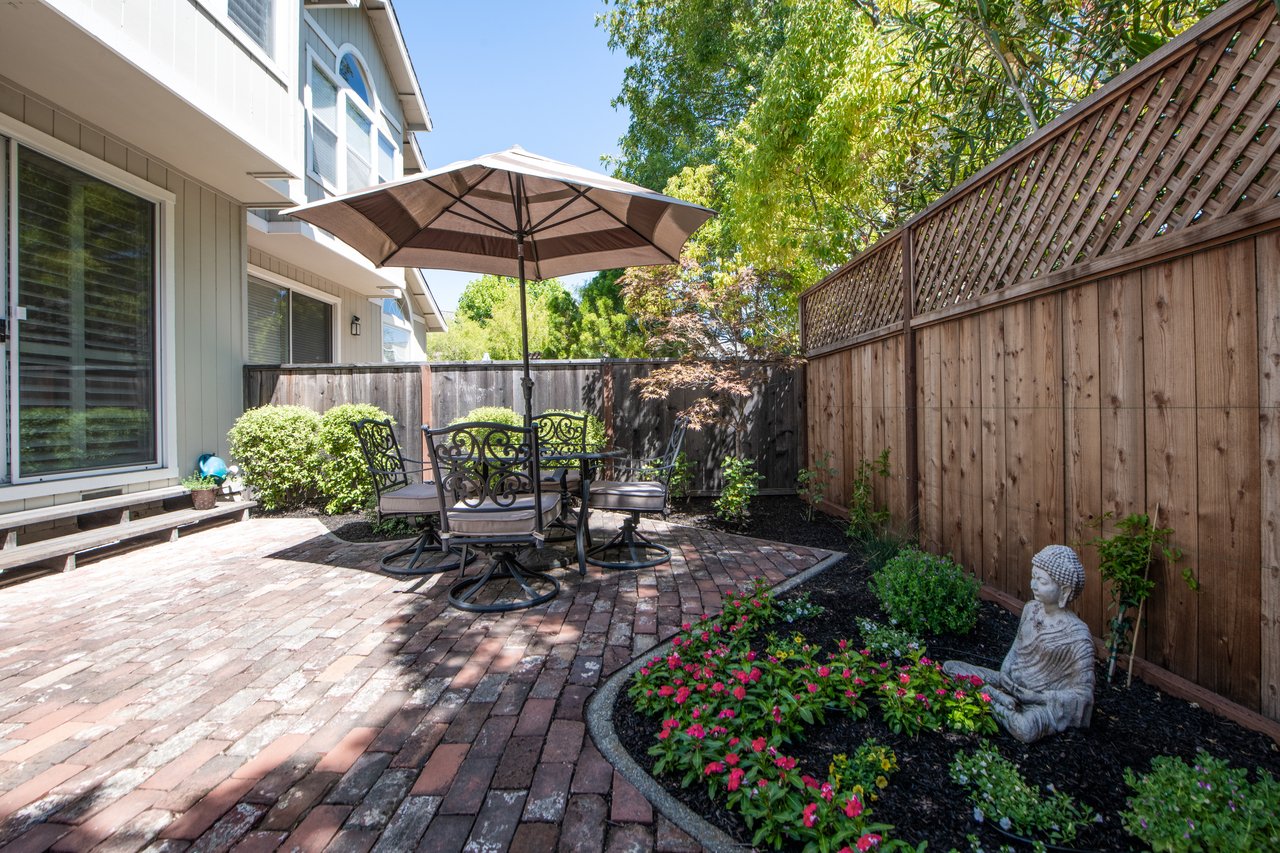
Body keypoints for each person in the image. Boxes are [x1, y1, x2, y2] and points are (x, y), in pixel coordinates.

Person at [944, 545, 1095, 743]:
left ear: (1064, 590)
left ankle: (990, 699)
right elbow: (1015, 650)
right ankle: (997, 698)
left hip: (1039, 701)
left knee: (1025, 729)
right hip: (1008, 682)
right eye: (1033, 577)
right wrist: (1006, 676)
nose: (1033, 585)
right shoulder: (1031, 609)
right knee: (951, 667)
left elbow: (1083, 696)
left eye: (1042, 581)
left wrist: (1039, 697)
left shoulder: (1077, 635)